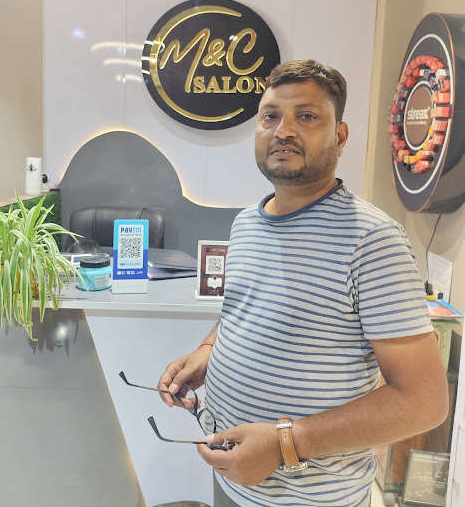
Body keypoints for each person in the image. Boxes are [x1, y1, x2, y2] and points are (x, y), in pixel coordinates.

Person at [157, 60, 448, 507]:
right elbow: (242, 313)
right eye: (270, 116)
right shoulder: (246, 224)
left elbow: (423, 401)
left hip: (311, 498)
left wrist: (283, 444)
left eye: (306, 116)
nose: (284, 130)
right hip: (232, 478)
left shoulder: (373, 240)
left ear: (340, 137)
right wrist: (207, 351)